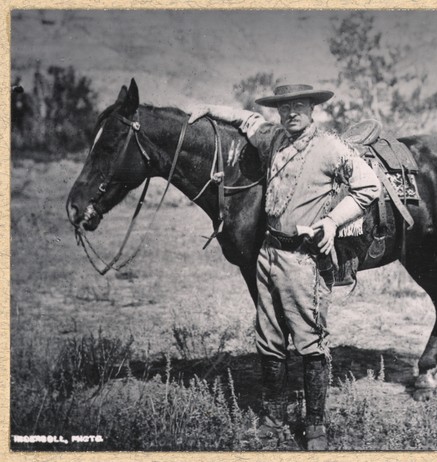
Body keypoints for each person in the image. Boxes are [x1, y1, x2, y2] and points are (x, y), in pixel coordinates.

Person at [187, 84, 380, 450]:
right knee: (269, 341)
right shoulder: (273, 138)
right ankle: (274, 421)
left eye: (299, 106)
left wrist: (332, 223)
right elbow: (246, 120)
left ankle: (315, 427)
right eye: (285, 107)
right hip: (269, 254)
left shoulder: (329, 147)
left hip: (304, 260)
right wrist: (206, 107)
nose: (291, 113)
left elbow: (368, 186)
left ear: (312, 109)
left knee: (311, 344)